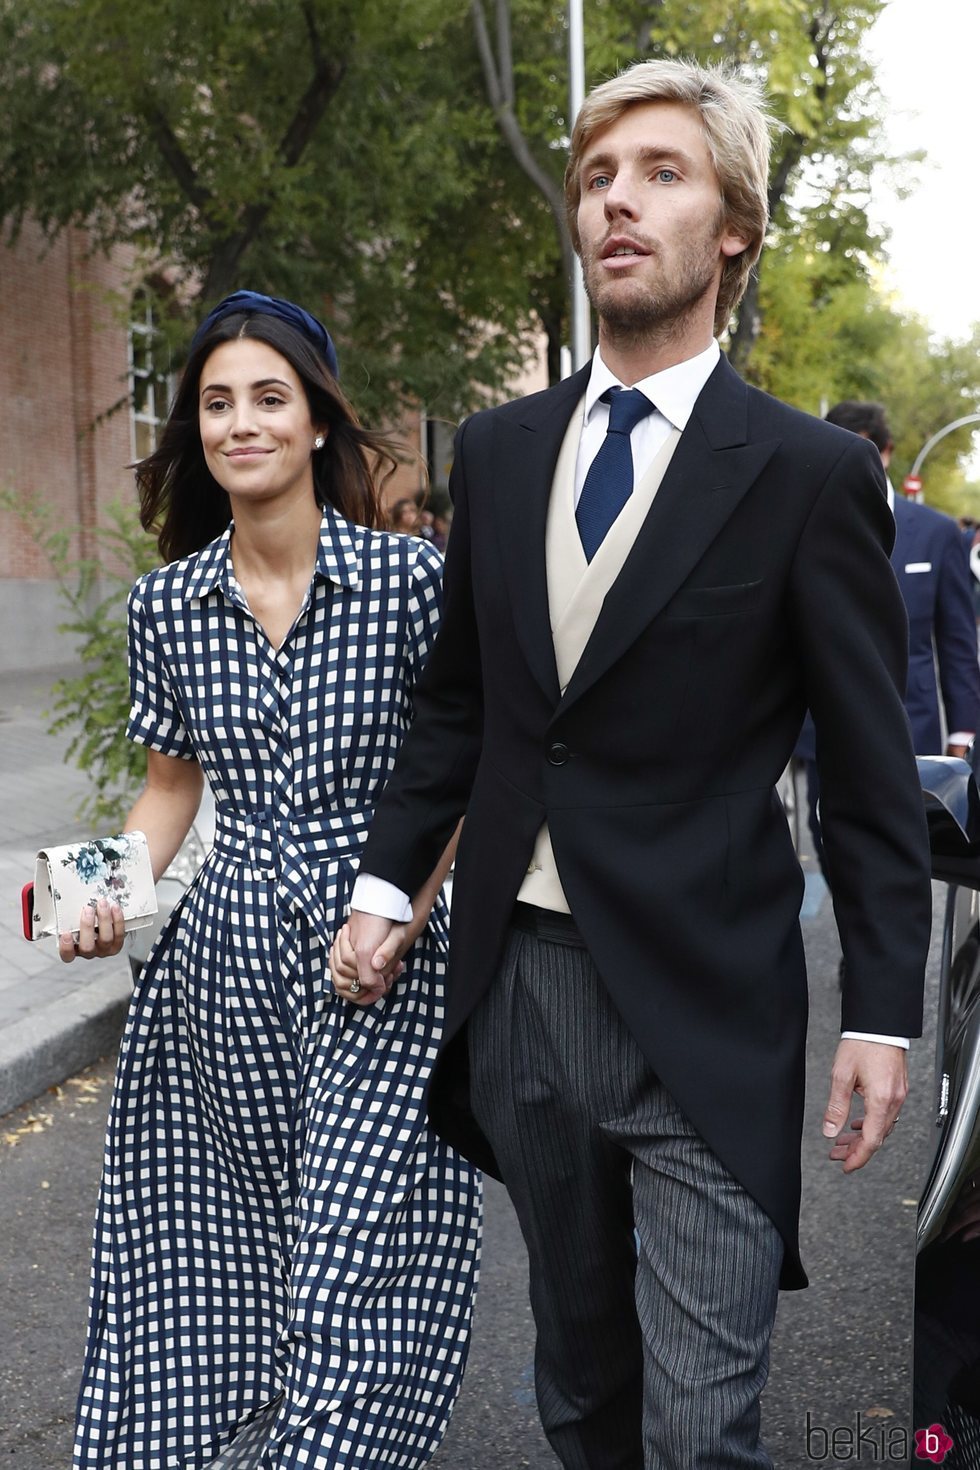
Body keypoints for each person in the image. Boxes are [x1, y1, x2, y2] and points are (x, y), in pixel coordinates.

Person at [333, 61, 933, 1469]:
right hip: (522, 990)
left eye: (661, 173)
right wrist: (385, 880)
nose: (615, 201)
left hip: (709, 994)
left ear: (733, 226)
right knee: (584, 1387)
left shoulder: (803, 475)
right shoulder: (502, 449)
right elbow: (462, 704)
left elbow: (864, 763)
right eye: (599, 177)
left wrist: (883, 1012)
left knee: (700, 1423)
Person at [65, 290, 481, 1469]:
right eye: (214, 403)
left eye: (267, 398)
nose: (238, 423)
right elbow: (167, 793)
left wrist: (404, 908)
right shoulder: (168, 604)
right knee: (225, 1259)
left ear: (314, 424)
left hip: (377, 962)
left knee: (351, 1269)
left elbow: (457, 766)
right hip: (223, 968)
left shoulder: (408, 582)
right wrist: (105, 894)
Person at [797, 400, 980, 877]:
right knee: (830, 839)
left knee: (906, 849)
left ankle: (882, 951)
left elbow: (958, 640)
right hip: (826, 726)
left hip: (912, 725)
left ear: (888, 453)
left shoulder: (938, 534)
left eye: (865, 453)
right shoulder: (806, 524)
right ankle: (854, 941)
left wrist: (961, 734)